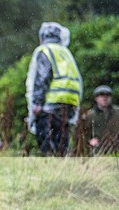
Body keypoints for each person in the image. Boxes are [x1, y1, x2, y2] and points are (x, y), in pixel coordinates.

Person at [25, 22, 82, 156]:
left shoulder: (45, 50)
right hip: (70, 102)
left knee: (46, 140)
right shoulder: (65, 52)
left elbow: (42, 77)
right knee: (62, 139)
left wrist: (37, 103)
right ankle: (64, 167)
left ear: (42, 37)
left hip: (51, 103)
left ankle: (50, 167)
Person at [84, 85, 119, 154]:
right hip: (97, 152)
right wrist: (89, 140)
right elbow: (83, 133)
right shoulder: (89, 115)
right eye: (102, 96)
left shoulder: (117, 113)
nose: (105, 98)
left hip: (116, 151)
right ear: (96, 98)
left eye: (107, 96)